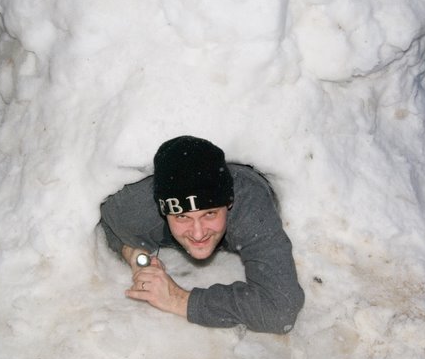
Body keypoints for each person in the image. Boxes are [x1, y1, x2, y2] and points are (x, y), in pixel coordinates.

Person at [100, 135, 304, 334]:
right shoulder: (134, 211)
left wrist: (178, 299)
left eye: (210, 214)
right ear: (163, 212)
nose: (198, 234)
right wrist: (135, 256)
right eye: (182, 217)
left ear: (229, 203)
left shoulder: (250, 209)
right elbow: (108, 225)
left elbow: (280, 311)